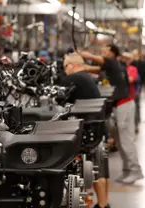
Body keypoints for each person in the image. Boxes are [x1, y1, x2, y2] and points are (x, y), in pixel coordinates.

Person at [79, 45, 143, 186]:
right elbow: (94, 69)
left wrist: (81, 53)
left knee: (126, 139)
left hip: (124, 104)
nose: (103, 52)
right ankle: (127, 170)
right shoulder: (111, 66)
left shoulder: (112, 62)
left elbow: (95, 59)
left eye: (106, 51)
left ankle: (135, 170)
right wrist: (79, 67)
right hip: (120, 105)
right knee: (120, 140)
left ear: (113, 53)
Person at [62, 53, 107, 208]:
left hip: (89, 130)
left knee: (93, 170)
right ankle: (103, 204)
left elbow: (58, 96)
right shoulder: (86, 77)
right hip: (97, 127)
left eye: (65, 66)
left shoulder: (74, 78)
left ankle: (99, 204)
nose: (64, 71)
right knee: (99, 170)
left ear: (72, 65)